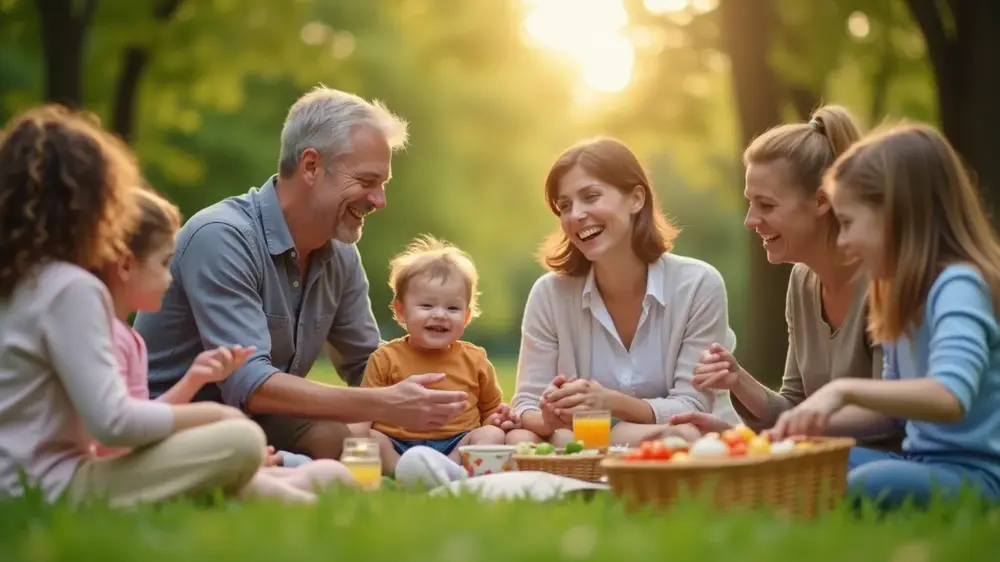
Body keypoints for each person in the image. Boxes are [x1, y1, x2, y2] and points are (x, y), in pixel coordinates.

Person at [133, 86, 468, 462]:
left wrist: (452, 403)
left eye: (382, 185)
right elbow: (250, 383)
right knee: (339, 445)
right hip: (169, 422)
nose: (379, 200)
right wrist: (381, 402)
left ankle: (292, 469)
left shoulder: (341, 254)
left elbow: (367, 365)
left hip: (255, 420)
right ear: (311, 166)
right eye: (367, 181)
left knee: (339, 441)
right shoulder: (221, 237)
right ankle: (279, 470)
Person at [0, 105, 265, 507]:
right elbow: (114, 423)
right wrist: (215, 416)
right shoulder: (70, 289)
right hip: (46, 489)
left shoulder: (19, 281)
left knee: (230, 467)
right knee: (239, 439)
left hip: (22, 482)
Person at [770, 123, 1000, 511]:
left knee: (868, 484)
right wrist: (796, 431)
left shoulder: (958, 285)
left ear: (895, 215)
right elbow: (891, 412)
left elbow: (949, 396)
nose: (841, 240)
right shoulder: (896, 292)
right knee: (798, 466)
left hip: (978, 476)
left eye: (847, 223)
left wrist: (842, 391)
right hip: (918, 463)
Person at [98, 187, 358, 503]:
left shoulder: (130, 339)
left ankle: (265, 474)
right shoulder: (103, 339)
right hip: (120, 466)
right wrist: (217, 423)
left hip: (151, 451)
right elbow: (118, 433)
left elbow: (145, 416)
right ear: (126, 266)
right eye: (164, 263)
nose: (171, 278)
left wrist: (194, 380)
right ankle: (294, 499)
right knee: (242, 441)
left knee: (331, 473)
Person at [671, 105, 902, 449]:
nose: (750, 220)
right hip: (821, 457)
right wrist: (738, 382)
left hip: (885, 464)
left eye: (766, 205)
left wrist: (778, 437)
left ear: (822, 201)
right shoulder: (802, 281)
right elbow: (795, 404)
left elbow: (888, 416)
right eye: (751, 203)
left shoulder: (886, 279)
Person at [505, 136, 738, 448]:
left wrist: (607, 403)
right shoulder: (549, 294)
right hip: (620, 442)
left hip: (694, 450)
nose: (575, 215)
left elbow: (692, 409)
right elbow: (526, 405)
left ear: (636, 199)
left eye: (591, 196)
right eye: (565, 205)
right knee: (522, 438)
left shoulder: (698, 285)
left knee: (685, 437)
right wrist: (550, 417)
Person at [355, 236, 508, 473]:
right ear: (401, 311)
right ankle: (402, 473)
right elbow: (366, 410)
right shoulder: (385, 358)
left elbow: (490, 411)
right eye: (427, 306)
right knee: (372, 439)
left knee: (492, 435)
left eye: (452, 308)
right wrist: (356, 437)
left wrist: (497, 420)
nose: (440, 315)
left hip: (457, 444)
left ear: (466, 317)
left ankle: (452, 472)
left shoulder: (475, 359)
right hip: (398, 444)